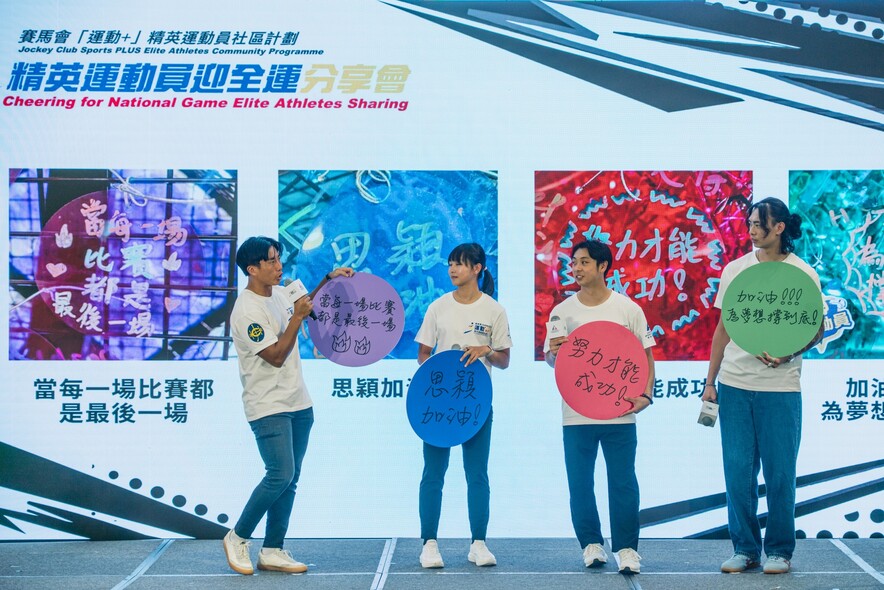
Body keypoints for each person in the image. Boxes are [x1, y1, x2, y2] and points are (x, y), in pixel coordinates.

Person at [702, 197, 821, 575]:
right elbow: (723, 329)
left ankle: (780, 551)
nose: (751, 230)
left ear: (779, 228)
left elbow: (816, 329)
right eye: (750, 223)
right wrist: (710, 382)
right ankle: (745, 548)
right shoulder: (736, 269)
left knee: (780, 473)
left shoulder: (803, 273)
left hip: (782, 387)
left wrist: (787, 354)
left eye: (758, 224)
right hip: (735, 384)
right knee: (738, 471)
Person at [223, 235, 353, 575]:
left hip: (299, 401)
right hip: (268, 405)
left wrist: (328, 279)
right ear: (252, 269)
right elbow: (276, 356)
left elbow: (305, 302)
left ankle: (273, 549)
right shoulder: (246, 311)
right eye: (270, 260)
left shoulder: (282, 292)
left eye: (278, 257)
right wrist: (296, 318)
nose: (279, 265)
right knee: (279, 473)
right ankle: (237, 536)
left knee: (290, 478)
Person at [544, 239, 655, 575]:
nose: (576, 269)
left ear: (603, 266)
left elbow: (646, 357)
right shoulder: (562, 311)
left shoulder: (628, 309)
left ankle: (627, 549)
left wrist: (646, 396)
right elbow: (552, 360)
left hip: (620, 411)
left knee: (623, 482)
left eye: (584, 262)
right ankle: (591, 544)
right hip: (576, 412)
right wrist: (555, 352)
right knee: (580, 482)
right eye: (574, 263)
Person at [414, 243, 512, 569]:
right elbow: (423, 354)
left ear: (478, 268)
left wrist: (486, 351)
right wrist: (436, 371)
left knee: (477, 474)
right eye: (450, 264)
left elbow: (504, 360)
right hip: (439, 404)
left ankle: (478, 543)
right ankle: (429, 544)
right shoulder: (438, 307)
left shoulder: (493, 310)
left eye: (460, 264)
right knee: (433, 473)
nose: (453, 269)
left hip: (476, 403)